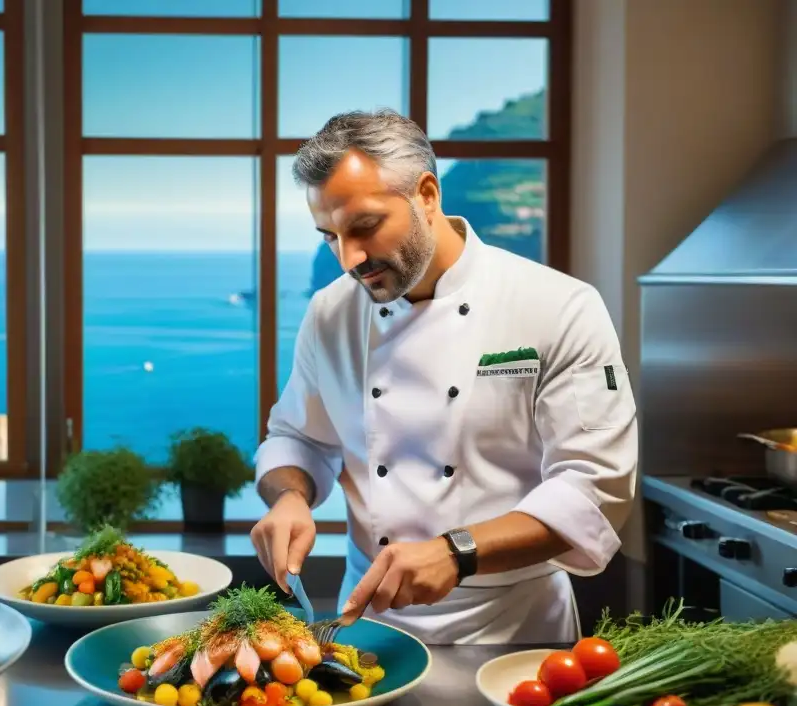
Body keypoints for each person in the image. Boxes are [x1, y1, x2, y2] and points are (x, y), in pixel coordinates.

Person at [250, 109, 638, 645]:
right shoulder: (329, 313)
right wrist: (290, 497)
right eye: (329, 238)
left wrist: (459, 551)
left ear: (427, 195)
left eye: (364, 227)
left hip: (511, 630)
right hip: (365, 622)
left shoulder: (560, 306)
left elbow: (596, 488)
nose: (349, 259)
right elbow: (297, 438)